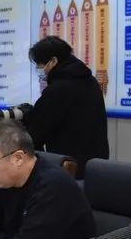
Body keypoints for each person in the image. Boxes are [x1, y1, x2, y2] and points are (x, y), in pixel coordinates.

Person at [21, 36, 108, 178]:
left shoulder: (58, 89)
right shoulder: (90, 81)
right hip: (97, 167)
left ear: (53, 61)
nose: (39, 69)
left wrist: (26, 120)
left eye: (39, 64)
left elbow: (36, 133)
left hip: (68, 168)